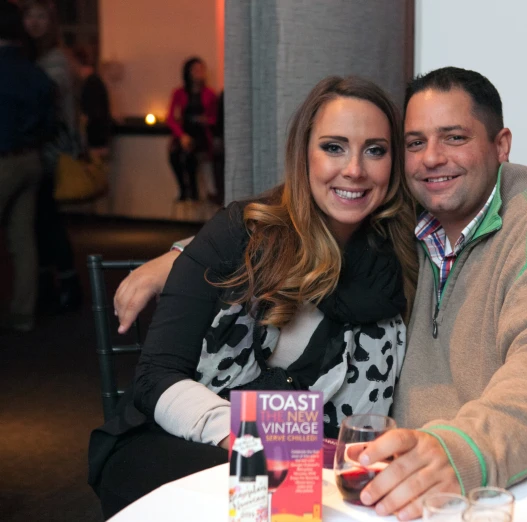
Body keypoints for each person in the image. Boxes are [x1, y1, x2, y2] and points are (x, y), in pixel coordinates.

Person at [112, 67, 527, 519]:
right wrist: (183, 257)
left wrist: (454, 452)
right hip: (433, 481)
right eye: (416, 142)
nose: (432, 158)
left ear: (501, 144)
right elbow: (286, 221)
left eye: (454, 138)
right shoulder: (422, 224)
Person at [88, 76, 419, 519]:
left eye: (375, 150)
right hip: (183, 440)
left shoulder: (402, 258)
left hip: (313, 467)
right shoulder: (241, 235)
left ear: (394, 164)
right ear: (304, 155)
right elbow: (156, 377)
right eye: (333, 147)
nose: (355, 169)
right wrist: (248, 441)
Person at [21, 0, 81, 312]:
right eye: (29, 15)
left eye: (41, 15)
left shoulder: (55, 60)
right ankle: (55, 283)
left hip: (51, 149)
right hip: (44, 147)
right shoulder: (37, 57)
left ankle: (67, 284)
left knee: (46, 219)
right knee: (40, 220)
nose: (34, 22)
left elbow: (46, 104)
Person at [0, 0, 54, 332]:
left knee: (21, 239)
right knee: (22, 240)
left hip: (3, 160)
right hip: (32, 159)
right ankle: (23, 314)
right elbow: (48, 120)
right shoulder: (34, 71)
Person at [167, 57, 218, 201]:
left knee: (192, 154)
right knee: (175, 154)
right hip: (185, 132)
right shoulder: (179, 93)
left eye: (202, 69)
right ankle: (183, 188)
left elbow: (215, 118)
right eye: (196, 70)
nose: (200, 73)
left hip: (201, 133)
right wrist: (181, 135)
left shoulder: (209, 93)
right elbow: (171, 118)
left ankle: (194, 191)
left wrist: (206, 120)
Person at [74, 44, 112, 158]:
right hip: (99, 141)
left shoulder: (91, 83)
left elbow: (93, 114)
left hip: (96, 143)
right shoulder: (95, 82)